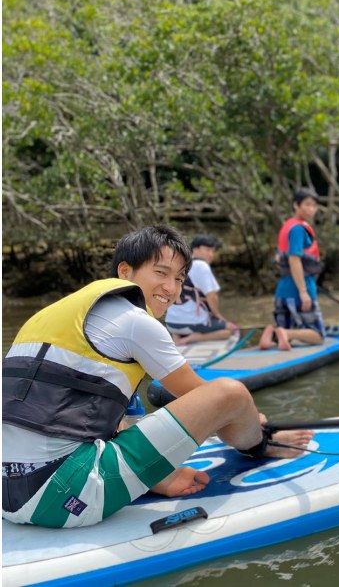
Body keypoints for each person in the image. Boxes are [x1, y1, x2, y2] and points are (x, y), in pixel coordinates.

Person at [2, 225, 312, 528]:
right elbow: (213, 404)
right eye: (161, 273)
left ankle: (156, 478)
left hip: (8, 493)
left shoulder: (51, 316)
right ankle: (260, 446)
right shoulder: (136, 321)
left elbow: (103, 417)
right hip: (61, 496)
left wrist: (161, 475)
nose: (172, 288)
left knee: (130, 413)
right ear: (125, 272)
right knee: (231, 393)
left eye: (179, 278)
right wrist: (253, 423)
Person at [260, 189, 326, 351]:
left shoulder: (287, 226)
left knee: (289, 325)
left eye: (314, 205)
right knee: (318, 336)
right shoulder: (298, 230)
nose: (312, 209)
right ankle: (285, 334)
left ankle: (272, 333)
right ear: (296, 205)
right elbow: (294, 259)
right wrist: (303, 292)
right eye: (307, 205)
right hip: (298, 290)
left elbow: (278, 259)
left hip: (282, 290)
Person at [165, 234, 237, 345]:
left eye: (213, 251)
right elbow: (211, 296)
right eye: (207, 250)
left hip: (171, 323)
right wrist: (218, 316)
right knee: (230, 330)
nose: (211, 254)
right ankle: (193, 338)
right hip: (193, 323)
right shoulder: (201, 266)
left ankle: (177, 336)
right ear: (196, 249)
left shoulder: (179, 263)